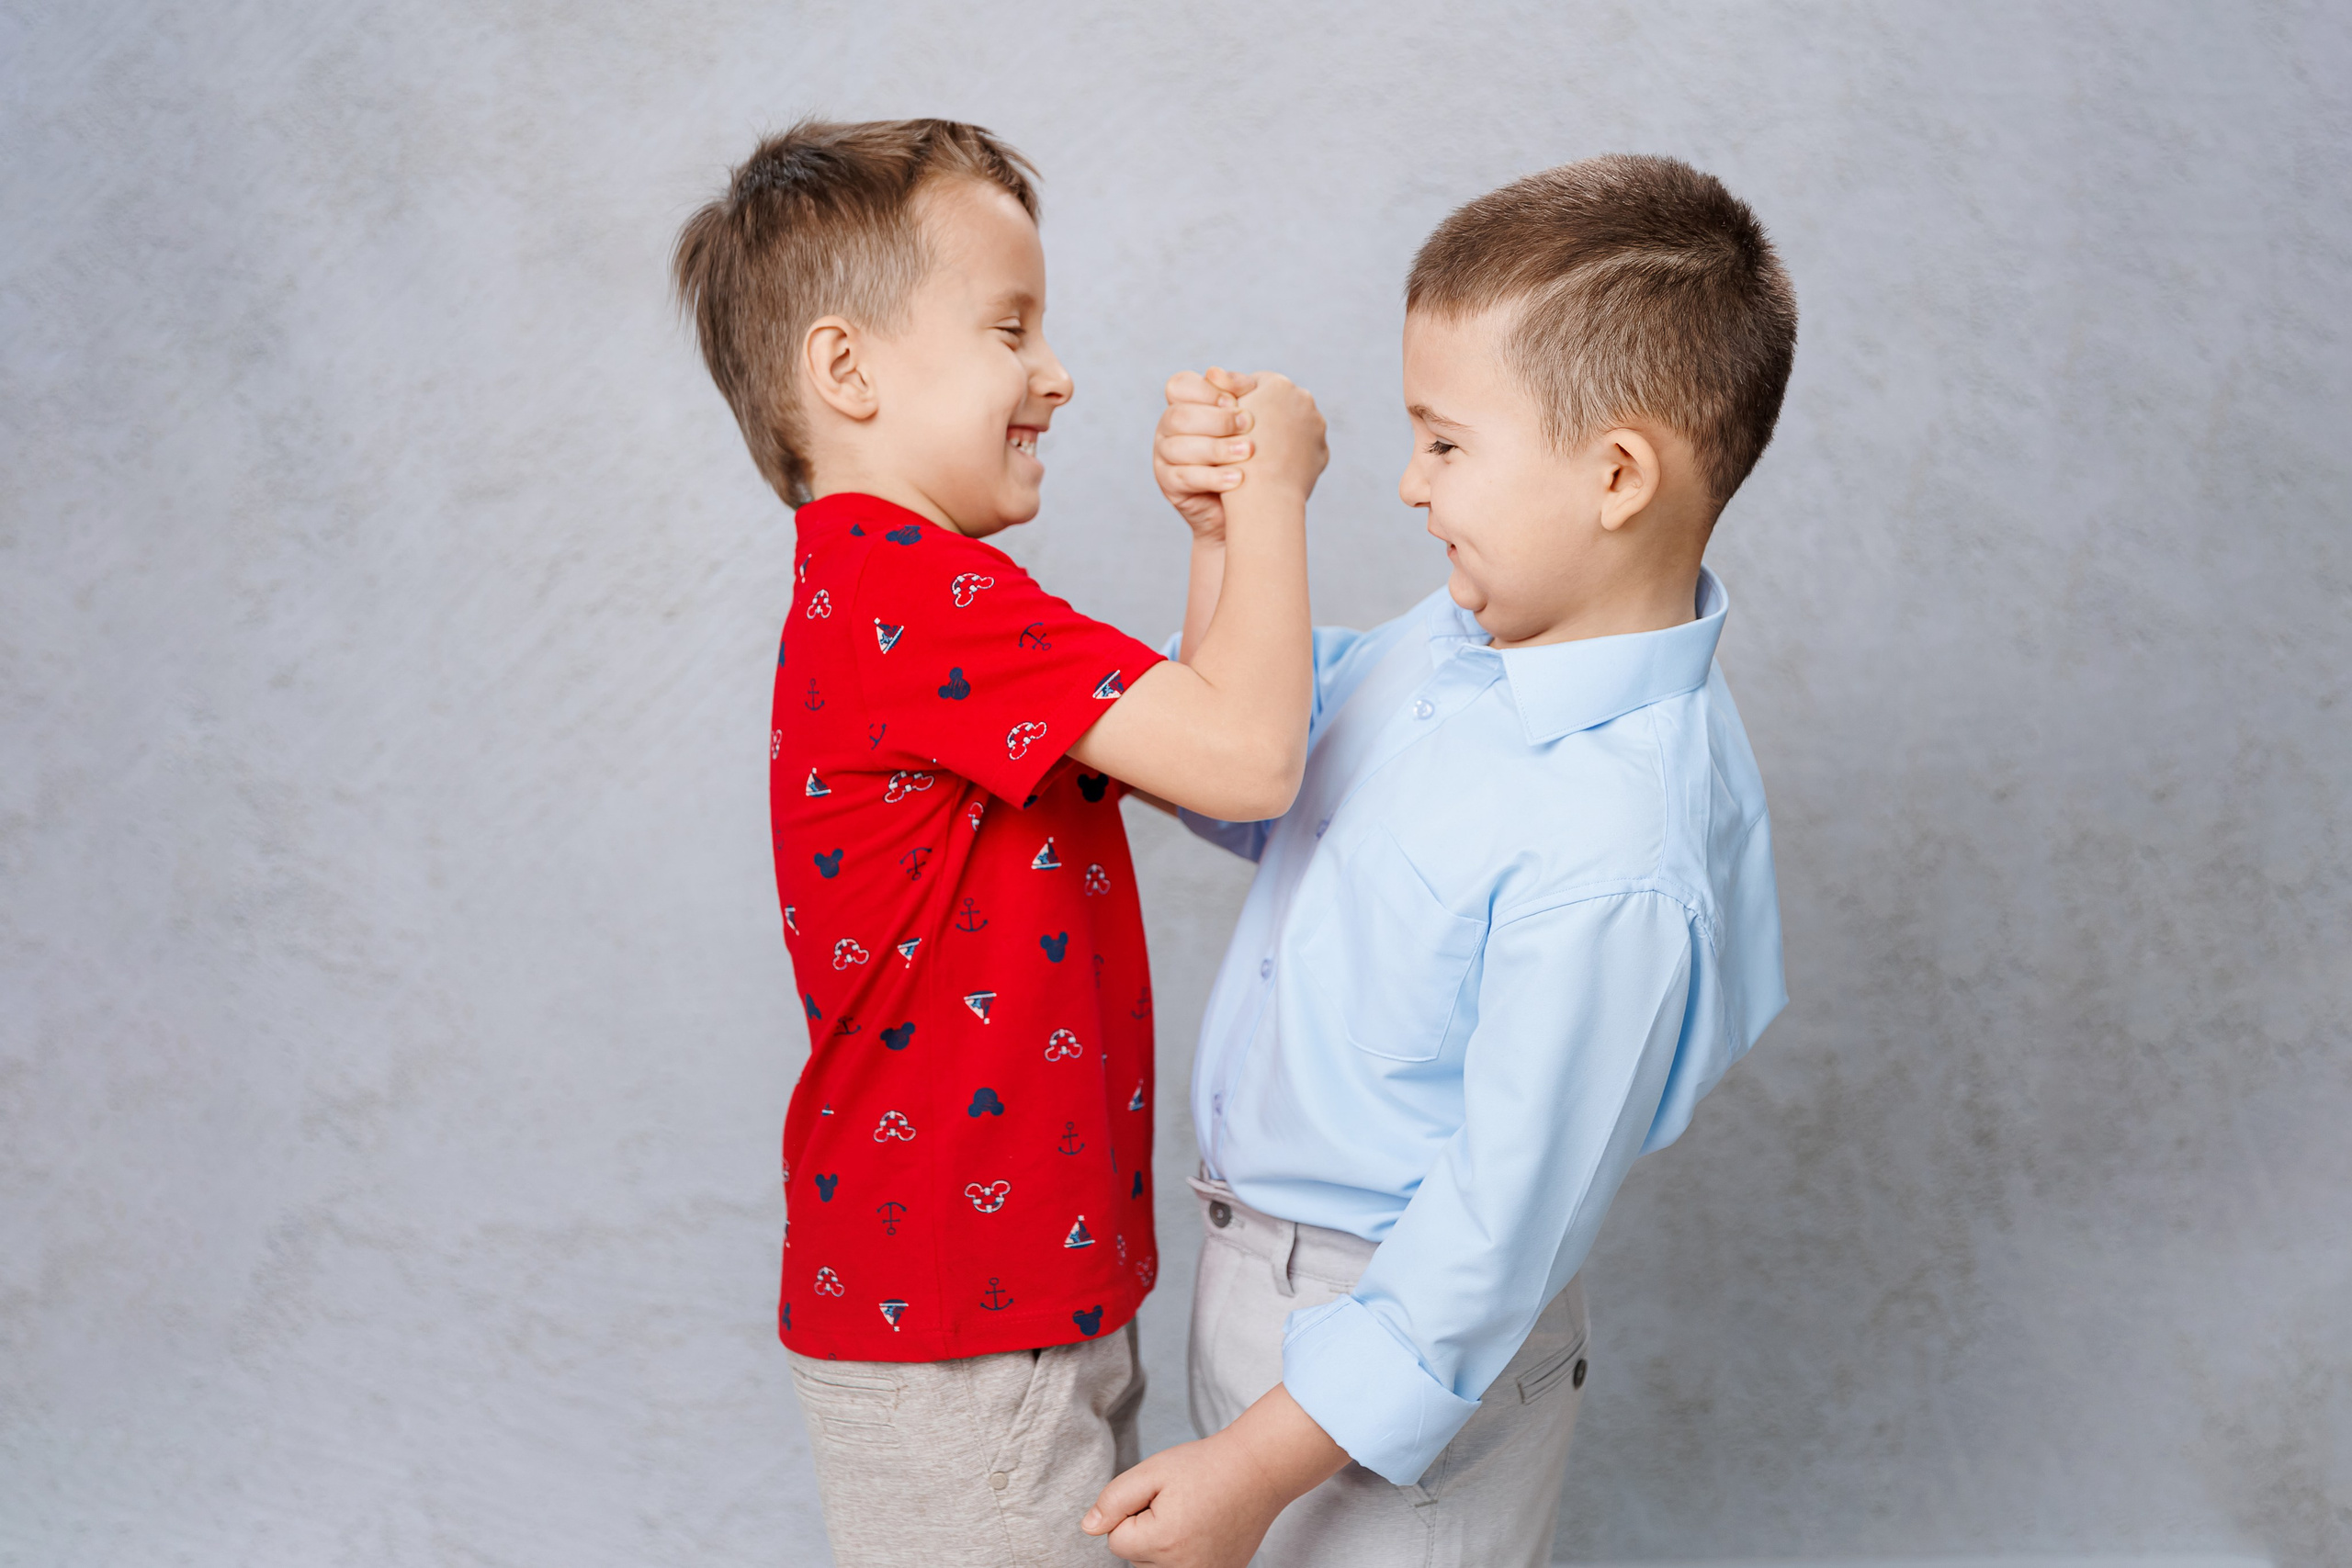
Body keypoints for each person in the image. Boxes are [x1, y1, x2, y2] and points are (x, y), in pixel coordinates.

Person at [1083, 153, 1798, 1568]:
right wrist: (1227, 537)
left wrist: (1251, 1466)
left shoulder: (1619, 849)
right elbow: (1245, 777)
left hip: (1394, 1360)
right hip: (1259, 1289)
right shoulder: (1456, 640)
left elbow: (1486, 1248)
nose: (1409, 486)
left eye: (1447, 443)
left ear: (1616, 474)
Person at [670, 118, 1327, 1568]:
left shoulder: (912, 595)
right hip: (964, 1315)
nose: (1057, 371)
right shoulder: (918, 593)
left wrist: (1217, 535)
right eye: (1009, 327)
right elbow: (1257, 755)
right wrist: (1274, 495)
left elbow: (1213, 754)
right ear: (847, 371)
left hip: (1018, 1286)